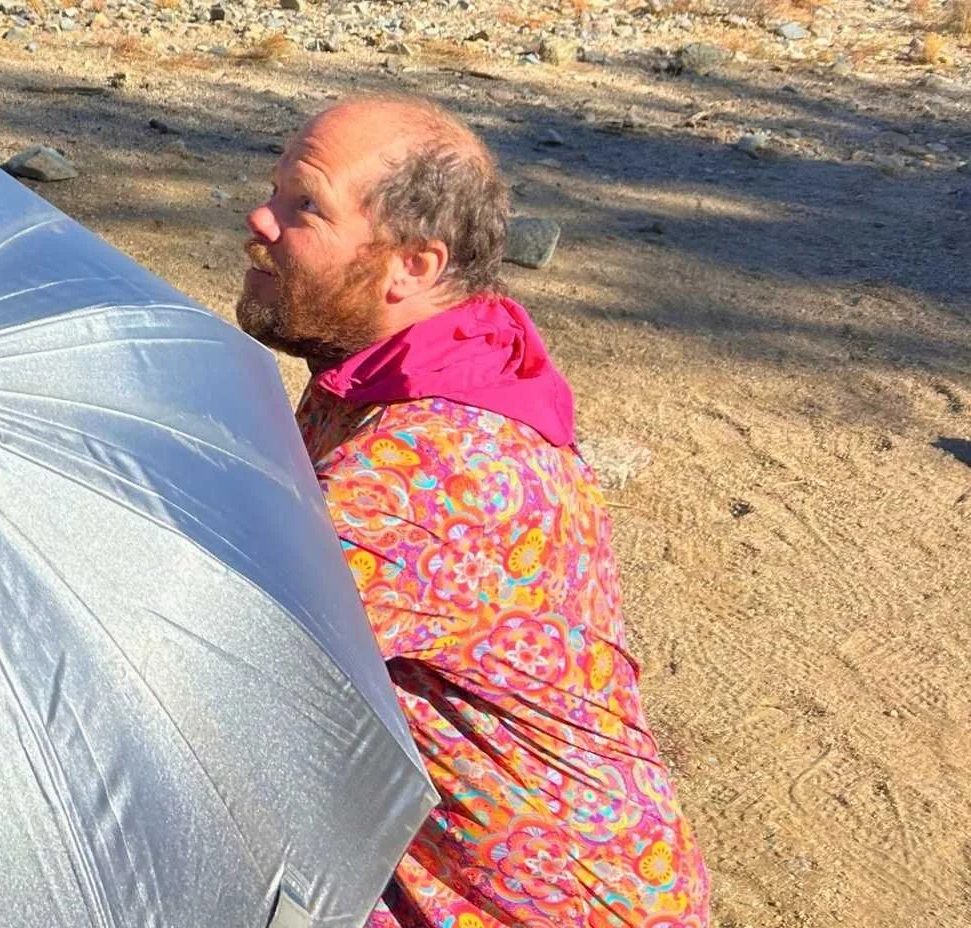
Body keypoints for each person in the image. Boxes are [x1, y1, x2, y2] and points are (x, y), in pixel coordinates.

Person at [236, 96, 708, 928]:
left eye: (304, 204)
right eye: (276, 190)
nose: (261, 218)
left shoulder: (434, 470)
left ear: (413, 267)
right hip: (436, 862)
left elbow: (202, 645)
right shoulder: (419, 358)